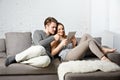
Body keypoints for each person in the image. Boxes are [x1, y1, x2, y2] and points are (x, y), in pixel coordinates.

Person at [51, 22, 116, 61]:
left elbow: (74, 49)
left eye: (62, 28)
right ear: (56, 30)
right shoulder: (55, 39)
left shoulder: (66, 37)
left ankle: (102, 48)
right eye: (59, 29)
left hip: (74, 53)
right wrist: (61, 44)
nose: (61, 30)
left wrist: (74, 42)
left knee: (86, 35)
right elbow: (52, 53)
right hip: (67, 56)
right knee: (89, 41)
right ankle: (103, 57)